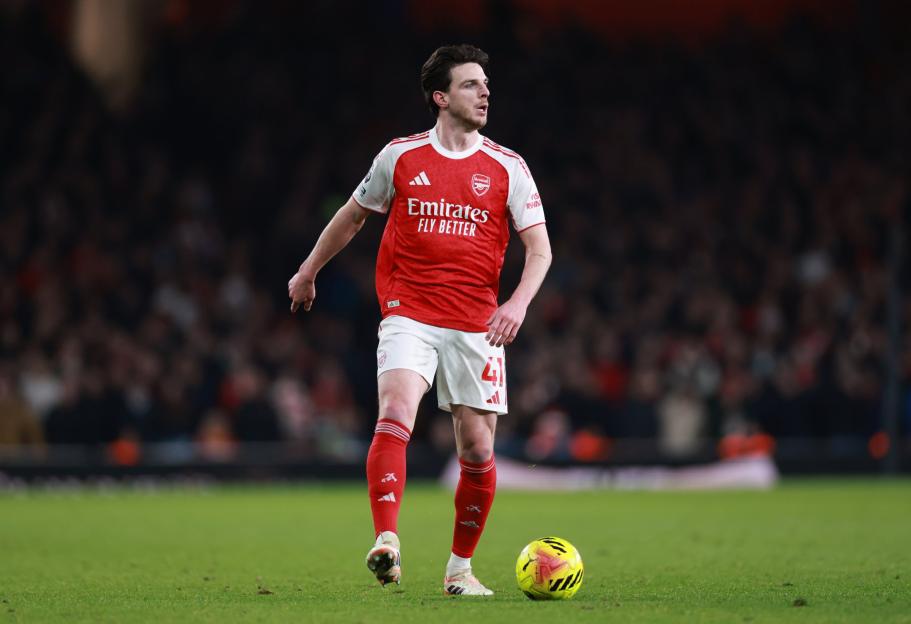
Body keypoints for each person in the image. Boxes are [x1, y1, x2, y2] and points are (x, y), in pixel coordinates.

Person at [288, 44, 551, 596]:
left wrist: (517, 304)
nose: (485, 92)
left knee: (477, 450)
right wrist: (309, 270)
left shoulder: (508, 166)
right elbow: (353, 215)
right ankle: (387, 540)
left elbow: (540, 250)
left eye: (486, 84)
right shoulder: (401, 156)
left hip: (478, 323)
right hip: (410, 311)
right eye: (471, 85)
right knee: (397, 410)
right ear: (440, 96)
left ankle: (460, 571)